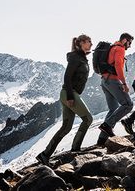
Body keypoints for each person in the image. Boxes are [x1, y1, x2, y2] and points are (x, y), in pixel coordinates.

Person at [36, 34, 93, 166]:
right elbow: (67, 77)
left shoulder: (82, 58)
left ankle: (44, 155)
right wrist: (70, 96)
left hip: (68, 93)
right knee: (88, 119)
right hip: (69, 93)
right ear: (81, 43)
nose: (91, 44)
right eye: (89, 42)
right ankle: (75, 149)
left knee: (66, 127)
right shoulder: (76, 58)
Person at [97, 32, 134, 144]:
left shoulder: (112, 48)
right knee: (128, 105)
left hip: (105, 81)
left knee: (113, 109)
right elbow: (118, 65)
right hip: (113, 80)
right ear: (124, 40)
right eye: (129, 42)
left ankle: (101, 140)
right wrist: (123, 83)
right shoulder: (120, 49)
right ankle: (107, 125)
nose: (130, 45)